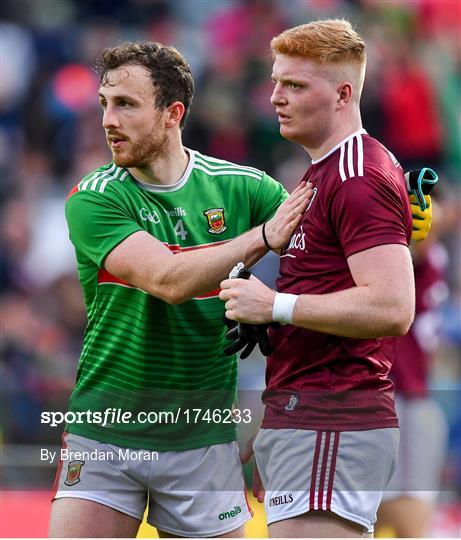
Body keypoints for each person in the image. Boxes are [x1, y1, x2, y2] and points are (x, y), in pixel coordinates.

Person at [49, 41, 312, 538]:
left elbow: (331, 244)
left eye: (125, 104)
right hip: (106, 432)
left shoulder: (244, 188)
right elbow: (168, 279)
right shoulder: (95, 197)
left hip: (204, 440)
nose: (108, 119)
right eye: (104, 104)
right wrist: (261, 239)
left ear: (173, 113)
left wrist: (404, 228)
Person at [220, 19, 417, 537]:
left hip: (334, 416)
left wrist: (277, 307)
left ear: (343, 93)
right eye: (276, 82)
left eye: (295, 85)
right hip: (308, 412)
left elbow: (393, 307)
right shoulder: (321, 170)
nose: (275, 98)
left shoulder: (356, 173)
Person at [377, 200, 449, 538]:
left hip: (403, 395)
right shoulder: (429, 257)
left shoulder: (420, 258)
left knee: (404, 519)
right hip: (397, 395)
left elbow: (414, 250)